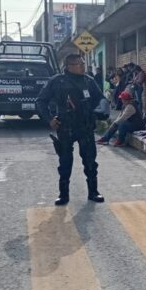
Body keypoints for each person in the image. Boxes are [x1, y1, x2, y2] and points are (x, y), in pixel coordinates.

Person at [36, 54, 106, 205]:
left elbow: (100, 98)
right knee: (65, 162)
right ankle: (63, 194)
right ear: (69, 66)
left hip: (85, 126)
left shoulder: (89, 81)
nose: (82, 66)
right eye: (79, 64)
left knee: (90, 161)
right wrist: (49, 119)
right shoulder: (57, 81)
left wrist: (101, 111)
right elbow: (41, 101)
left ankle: (93, 191)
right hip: (65, 127)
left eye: (83, 63)